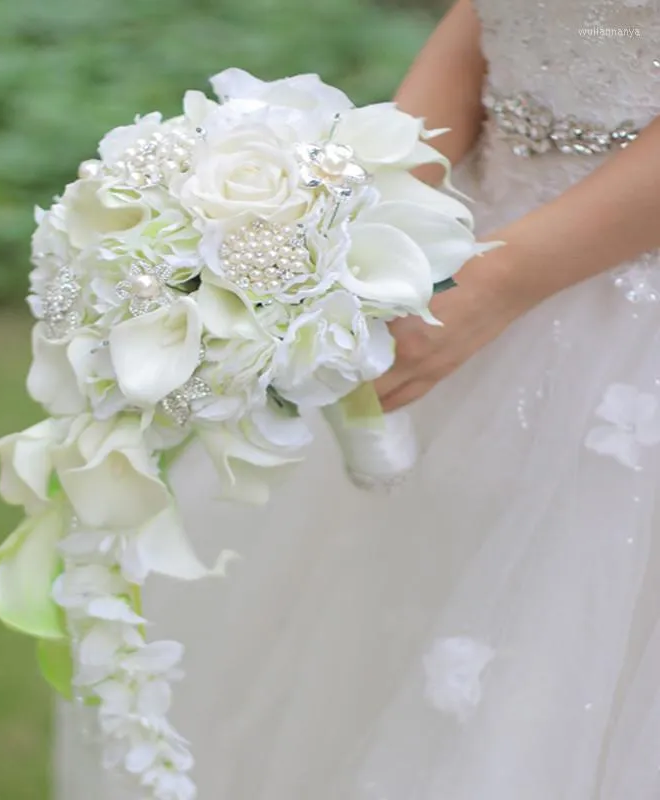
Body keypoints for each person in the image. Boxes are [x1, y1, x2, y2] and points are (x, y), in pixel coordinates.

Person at [55, 1, 660, 797]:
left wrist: (495, 286)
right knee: (393, 606)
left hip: (612, 302)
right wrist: (367, 213)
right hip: (453, 241)